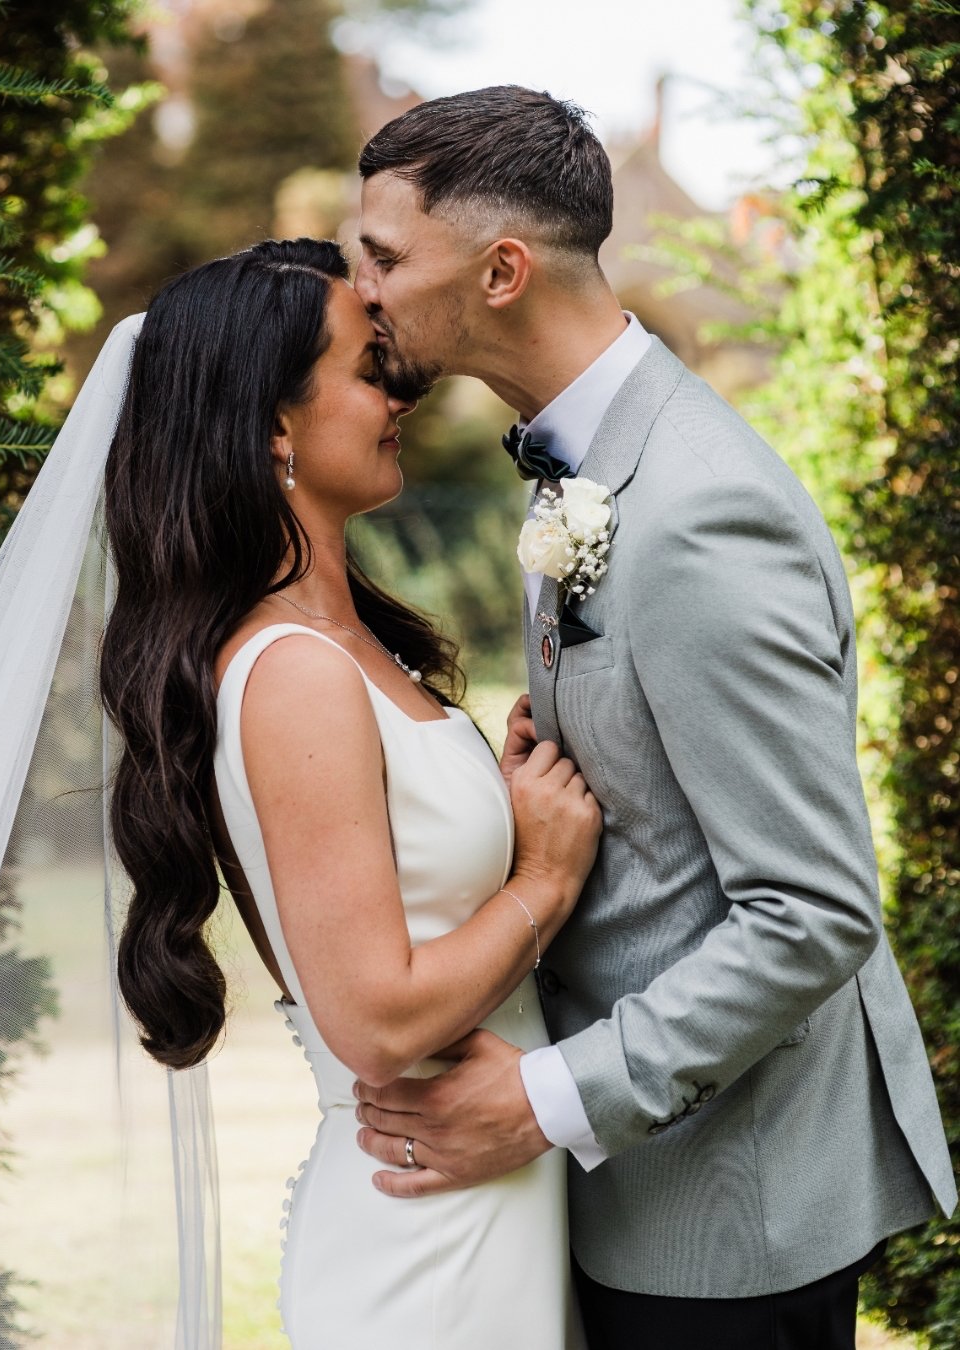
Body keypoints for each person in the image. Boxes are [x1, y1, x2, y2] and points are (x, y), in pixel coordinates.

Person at [349, 86, 956, 1350]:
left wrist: (546, 1100)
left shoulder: (698, 510)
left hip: (721, 1220)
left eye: (386, 258)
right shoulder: (580, 465)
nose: (364, 292)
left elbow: (814, 909)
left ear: (502, 271)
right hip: (628, 1199)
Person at [98, 237, 602, 1347]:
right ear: (273, 427)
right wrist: (546, 878)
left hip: (484, 1205)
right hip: (425, 1246)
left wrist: (492, 793)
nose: (400, 396)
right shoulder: (294, 672)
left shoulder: (346, 645)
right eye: (369, 370)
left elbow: (393, 879)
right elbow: (375, 1021)